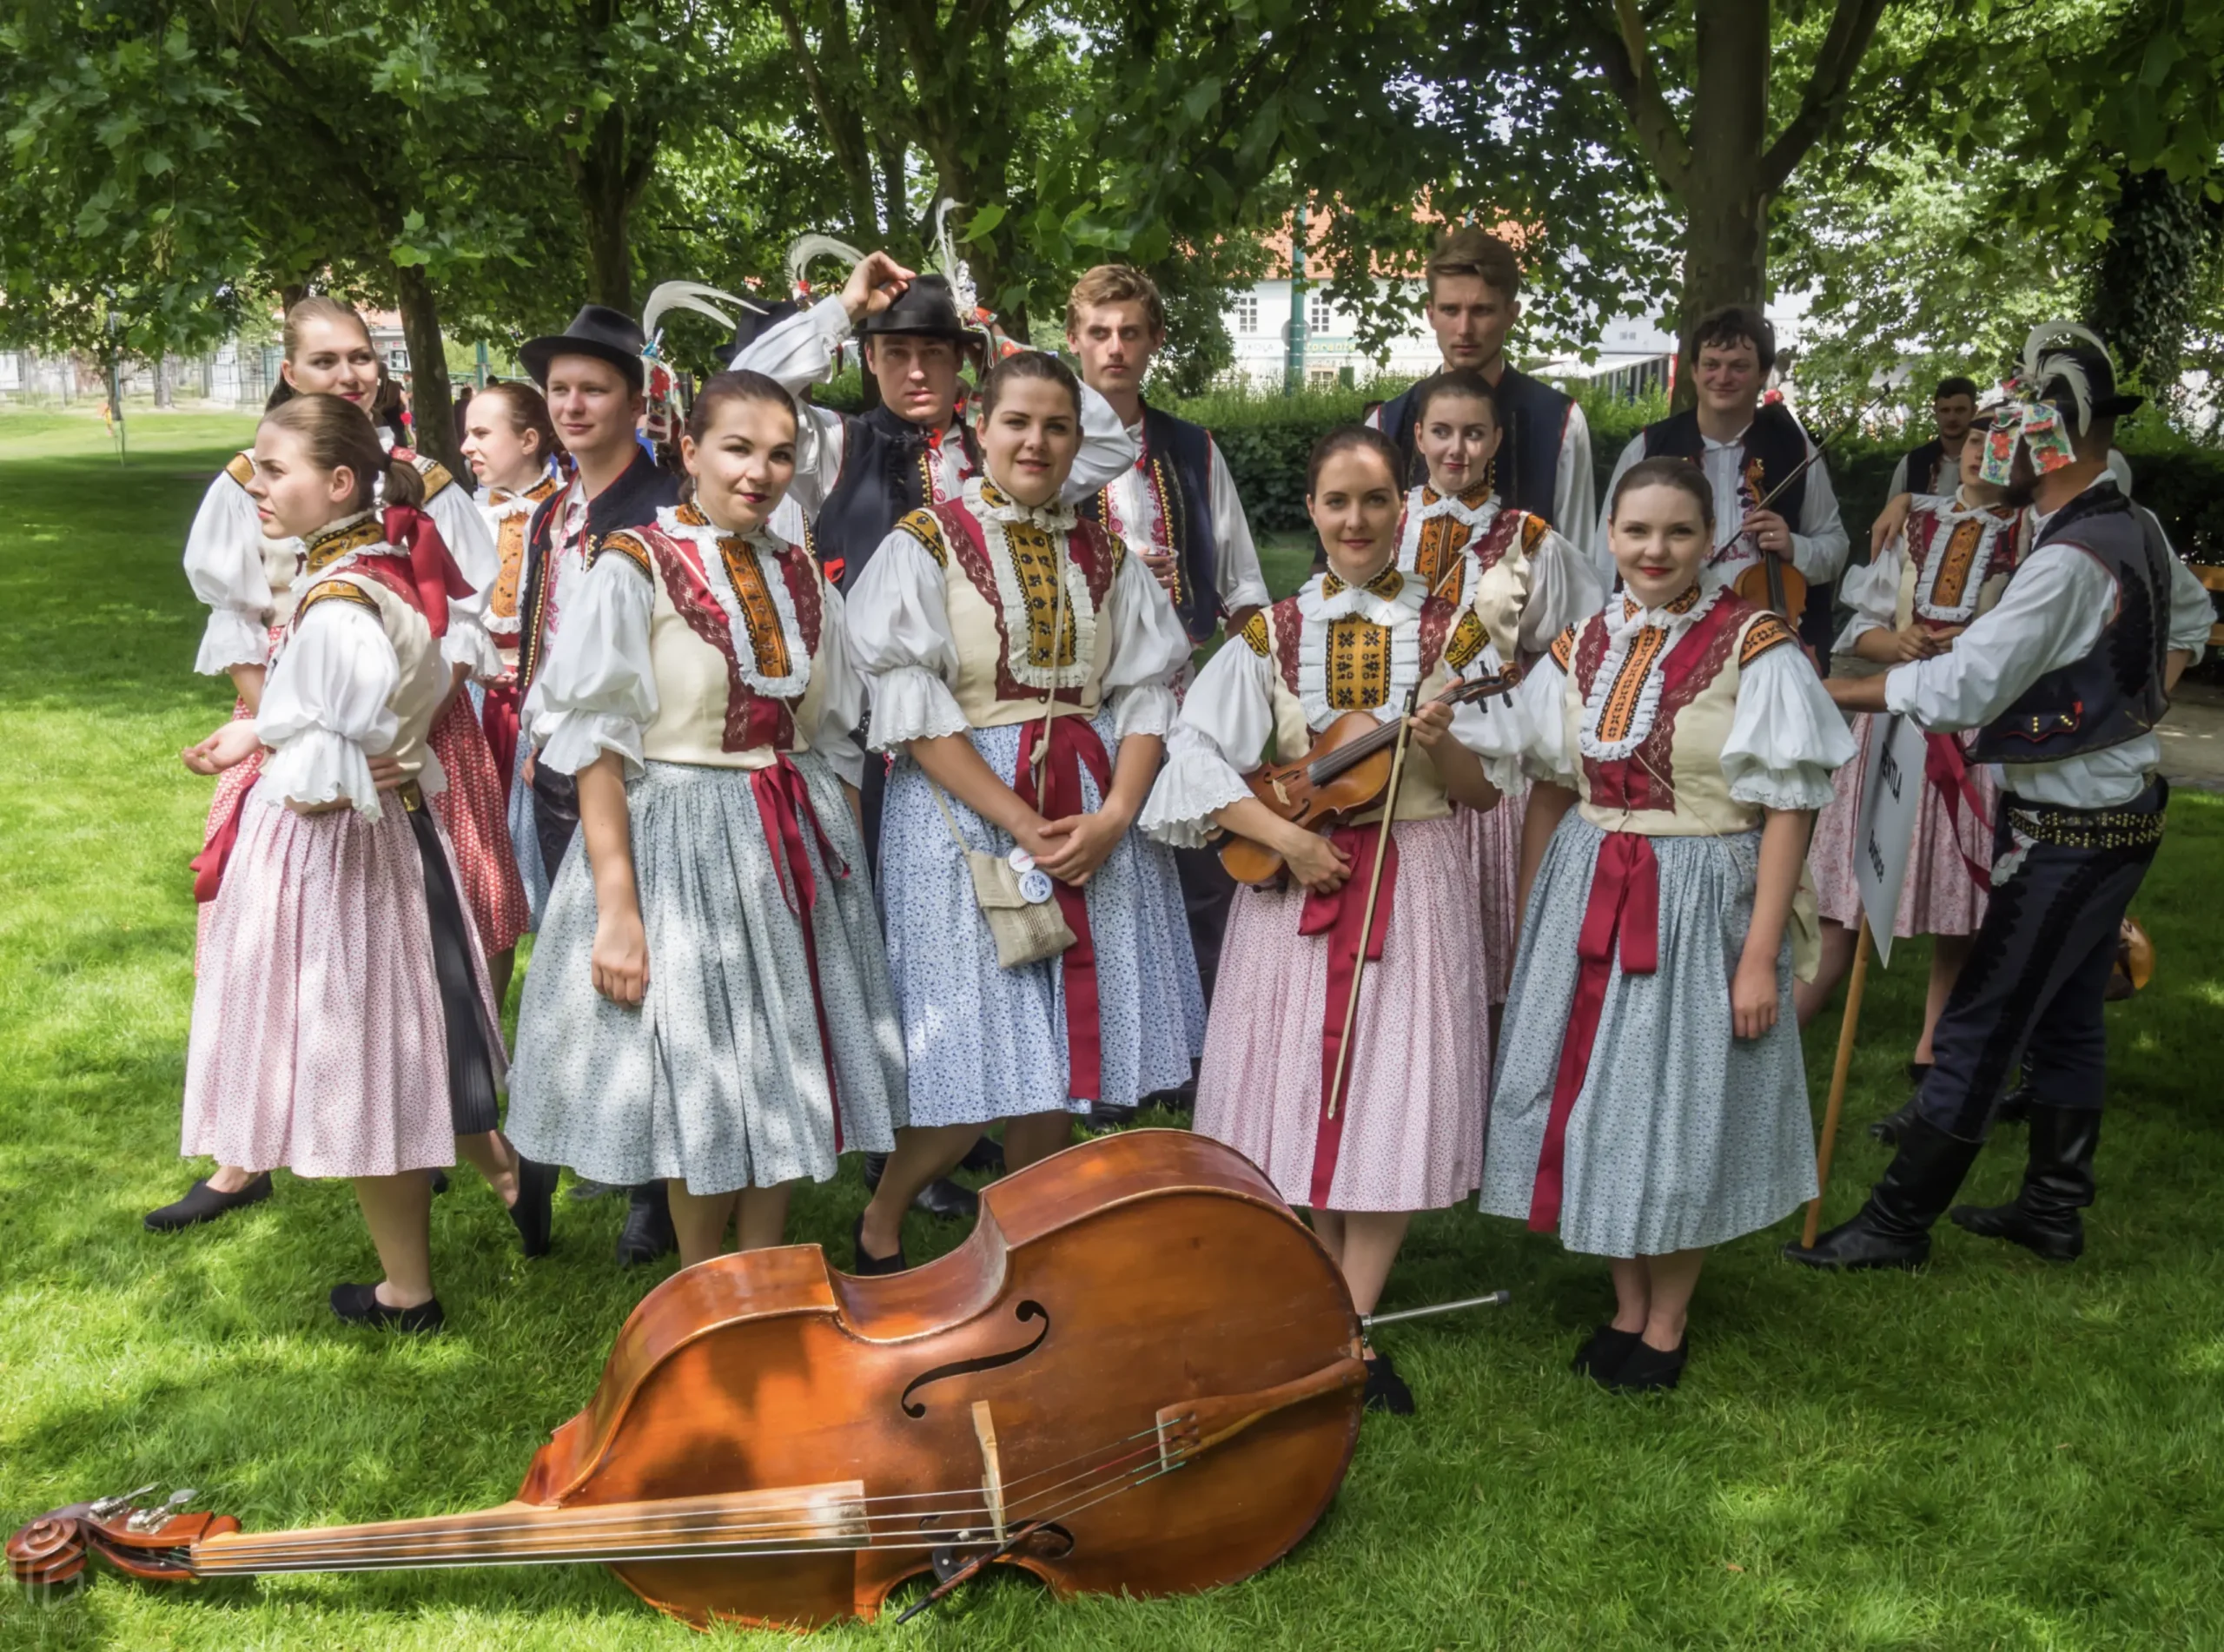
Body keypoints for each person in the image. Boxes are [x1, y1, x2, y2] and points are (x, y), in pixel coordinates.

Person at [1787, 326, 2209, 1273]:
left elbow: (1955, 691)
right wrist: (2133, 703)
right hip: (2116, 810)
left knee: (1982, 1018)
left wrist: (1830, 691)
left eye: (2006, 419)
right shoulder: (2129, 527)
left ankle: (1895, 1226)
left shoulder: (2068, 558)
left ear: (2048, 435)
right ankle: (2052, 1209)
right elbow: (2188, 617)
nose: (1988, 439)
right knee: (2065, 1016)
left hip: (2074, 826)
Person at [1140, 425, 1523, 1416]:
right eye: (1337, 502)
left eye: (1376, 500)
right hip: (1297, 881)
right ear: (1310, 512)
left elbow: (1484, 792)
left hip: (1415, 875)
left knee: (1394, 1085)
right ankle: (1313, 1297)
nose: (1356, 520)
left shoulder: (1454, 636)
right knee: (1296, 1085)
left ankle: (1346, 1330)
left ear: (1405, 508)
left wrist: (1435, 747)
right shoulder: (1268, 633)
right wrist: (1291, 838)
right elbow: (1193, 764)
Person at [507, 371, 906, 1269]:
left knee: (783, 1066)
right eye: (737, 447)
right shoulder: (633, 565)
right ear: (687, 450)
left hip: (791, 838)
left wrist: (840, 862)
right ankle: (702, 1277)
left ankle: (761, 1268)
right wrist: (618, 910)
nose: (758, 471)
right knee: (703, 1078)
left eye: (778, 454)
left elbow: (836, 732)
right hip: (676, 841)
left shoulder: (800, 571)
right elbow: (597, 749)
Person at [175, 394, 552, 1332]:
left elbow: (323, 767)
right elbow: (350, 715)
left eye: (276, 469)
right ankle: (410, 1281)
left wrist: (302, 760)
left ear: (339, 483)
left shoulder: (340, 600)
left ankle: (413, 1287)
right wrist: (259, 734)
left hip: (333, 851)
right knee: (391, 1049)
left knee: (366, 1055)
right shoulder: (363, 569)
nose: (257, 486)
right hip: (374, 834)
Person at [1484, 459, 1853, 1392]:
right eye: (1637, 531)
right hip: (1587, 885)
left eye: (1678, 533)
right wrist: (1535, 920)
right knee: (1598, 1104)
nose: (1655, 550)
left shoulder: (1754, 645)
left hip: (1699, 898)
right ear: (1609, 536)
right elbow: (1548, 789)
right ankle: (1624, 1301)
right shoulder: (1578, 647)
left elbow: (1787, 807)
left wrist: (1761, 956)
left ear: (1709, 541)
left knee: (1675, 1109)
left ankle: (1667, 1320)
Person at [845, 352, 1201, 1273]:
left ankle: (1017, 1242)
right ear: (980, 430)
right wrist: (1016, 818)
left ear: (1078, 442)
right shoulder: (923, 544)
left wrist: (1119, 813)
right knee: (972, 1044)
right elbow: (912, 710)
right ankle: (882, 1221)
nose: (1035, 441)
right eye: (1018, 423)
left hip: (1088, 809)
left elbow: (1144, 695)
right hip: (964, 818)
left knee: (1056, 1061)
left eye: (1056, 426)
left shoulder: (1110, 556)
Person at [1801, 418, 2029, 1140]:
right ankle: (1783, 1020)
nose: (1981, 455)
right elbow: (1855, 631)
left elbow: (2029, 632)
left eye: (2003, 447)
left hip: (1972, 732)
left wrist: (1967, 642)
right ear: (1952, 452)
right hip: (1890, 715)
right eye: (1974, 442)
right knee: (1844, 892)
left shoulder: (2033, 535)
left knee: (1958, 901)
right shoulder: (1914, 522)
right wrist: (1894, 642)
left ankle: (1934, 1051)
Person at [513, 302, 684, 1265]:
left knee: (644, 973)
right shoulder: (553, 507)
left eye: (593, 389)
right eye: (561, 389)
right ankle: (565, 1143)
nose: (572, 405)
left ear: (635, 397)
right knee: (570, 965)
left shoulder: (661, 507)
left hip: (636, 768)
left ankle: (651, 1191)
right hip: (552, 763)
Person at [1064, 262, 1270, 1051]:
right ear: (1076, 341)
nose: (1115, 348)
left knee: (1200, 858)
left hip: (1180, 683)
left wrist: (1267, 680)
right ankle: (1114, 1041)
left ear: (1153, 343)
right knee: (1107, 862)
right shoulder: (1049, 438)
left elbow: (1245, 577)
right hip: (1081, 690)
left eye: (1131, 333)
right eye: (1099, 333)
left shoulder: (1190, 445)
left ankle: (1208, 1041)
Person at [1396, 367, 1605, 1013]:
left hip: (1491, 766)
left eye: (1473, 434)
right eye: (1442, 432)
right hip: (1395, 760)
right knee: (1408, 956)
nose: (1456, 449)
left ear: (1495, 440)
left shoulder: (1529, 539)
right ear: (1420, 436)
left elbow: (1584, 638)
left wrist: (1523, 700)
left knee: (1490, 953)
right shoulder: (1385, 518)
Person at [1598, 305, 1850, 667]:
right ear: (1694, 371)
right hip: (1667, 642)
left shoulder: (1797, 450)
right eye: (1712, 364)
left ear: (1762, 373)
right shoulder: (1647, 449)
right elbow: (1606, 558)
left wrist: (1795, 547)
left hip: (1769, 645)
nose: (1723, 377)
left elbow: (1836, 546)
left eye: (1739, 366)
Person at [1366, 228, 1596, 559]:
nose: (1464, 329)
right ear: (1430, 314)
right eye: (1450, 310)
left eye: (1482, 310)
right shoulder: (1386, 424)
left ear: (1511, 315)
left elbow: (1578, 563)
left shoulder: (1560, 424)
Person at [460, 380, 567, 928]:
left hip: (541, 696)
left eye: (481, 433)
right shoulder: (464, 518)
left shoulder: (569, 516)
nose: (467, 447)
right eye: (467, 434)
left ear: (529, 440)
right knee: (478, 867)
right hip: (475, 697)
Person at [1886, 375, 1980, 500]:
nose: (1952, 418)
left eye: (1960, 410)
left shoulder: (1987, 461)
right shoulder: (1912, 462)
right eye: (1945, 410)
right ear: (1935, 411)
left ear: (1974, 411)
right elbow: (1891, 514)